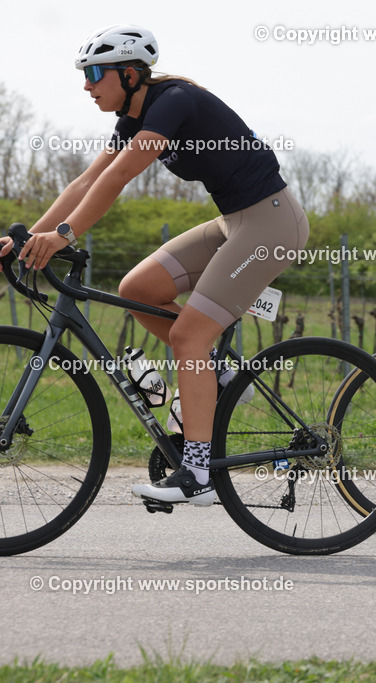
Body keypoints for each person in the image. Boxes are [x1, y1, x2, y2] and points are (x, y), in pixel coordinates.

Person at [0, 25, 309, 505]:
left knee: (188, 336)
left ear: (128, 74)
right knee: (137, 287)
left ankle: (200, 475)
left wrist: (64, 236)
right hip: (235, 222)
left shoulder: (174, 101)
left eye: (95, 75)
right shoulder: (131, 118)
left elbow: (123, 174)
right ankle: (220, 374)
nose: (87, 86)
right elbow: (89, 180)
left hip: (271, 224)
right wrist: (27, 238)